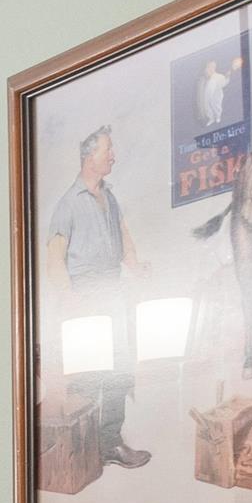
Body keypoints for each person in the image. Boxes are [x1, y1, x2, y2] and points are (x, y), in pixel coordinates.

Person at [47, 125, 149, 470]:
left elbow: (123, 236)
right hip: (85, 295)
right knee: (90, 374)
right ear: (90, 157)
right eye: (108, 151)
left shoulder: (111, 197)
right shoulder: (67, 205)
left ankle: (110, 443)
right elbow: (54, 259)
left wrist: (136, 267)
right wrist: (70, 298)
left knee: (120, 370)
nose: (114, 157)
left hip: (113, 292)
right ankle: (87, 448)